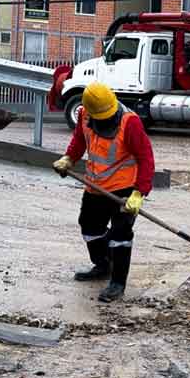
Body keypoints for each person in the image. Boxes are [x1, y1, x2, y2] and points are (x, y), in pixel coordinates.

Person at [53, 81, 155, 303]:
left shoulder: (130, 123)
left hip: (125, 189)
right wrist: (68, 158)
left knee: (120, 235)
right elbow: (80, 140)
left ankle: (118, 282)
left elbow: (146, 159)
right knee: (89, 227)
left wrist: (139, 193)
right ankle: (103, 264)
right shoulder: (85, 116)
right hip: (96, 186)